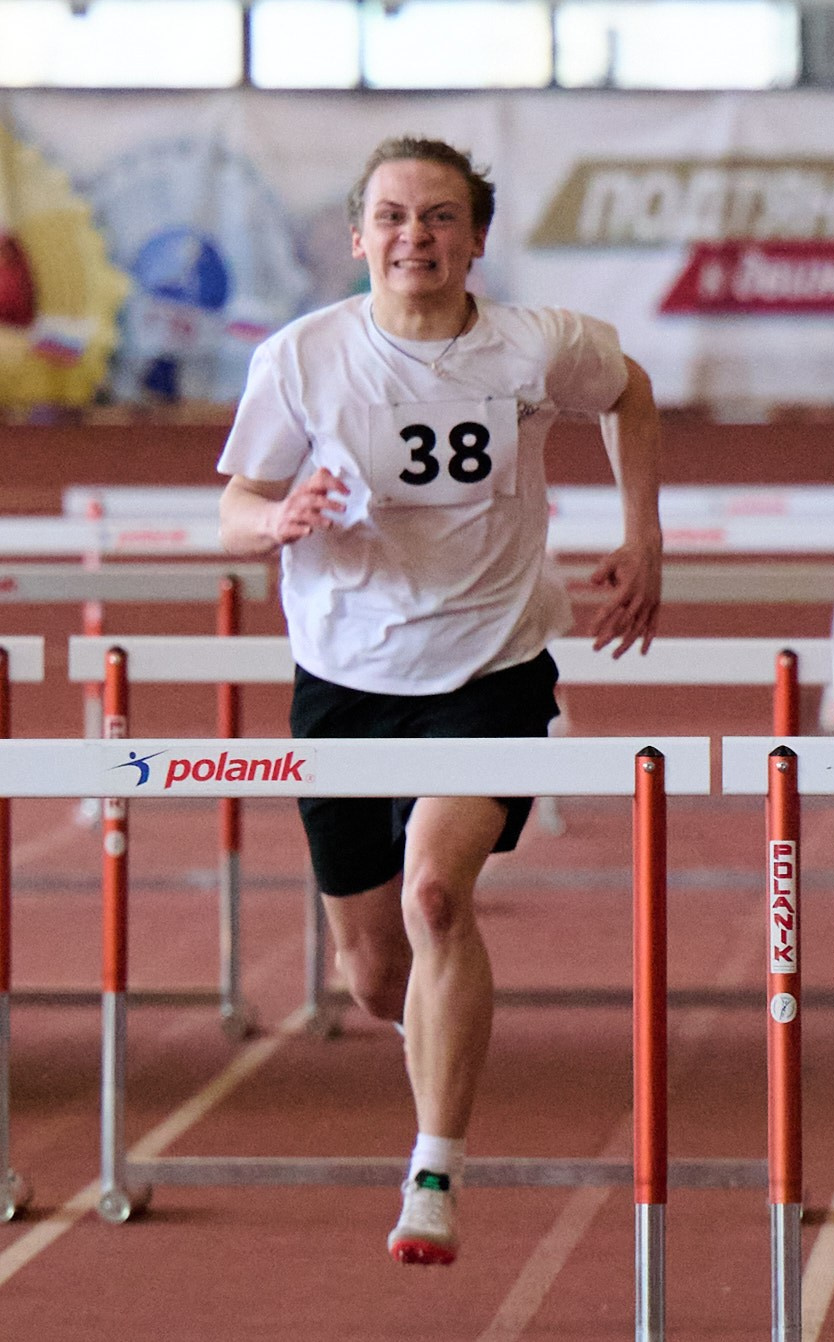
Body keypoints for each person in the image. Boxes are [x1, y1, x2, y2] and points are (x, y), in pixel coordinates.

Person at [215, 137, 663, 1266]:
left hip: (490, 668)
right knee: (375, 976)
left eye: (441, 216)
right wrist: (275, 522)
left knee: (436, 895)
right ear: (360, 237)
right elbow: (236, 500)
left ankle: (434, 1174)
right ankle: (440, 1029)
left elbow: (631, 389)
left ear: (475, 236)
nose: (416, 236)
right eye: (394, 217)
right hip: (342, 678)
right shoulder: (302, 358)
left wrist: (641, 532)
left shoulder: (534, 347)